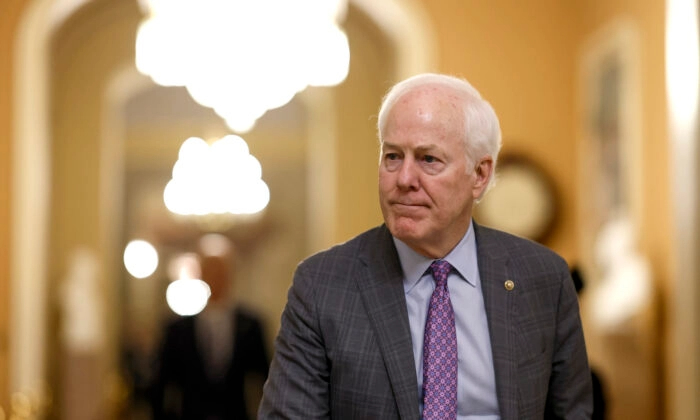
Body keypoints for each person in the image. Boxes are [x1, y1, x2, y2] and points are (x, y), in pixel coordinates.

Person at [258, 73, 592, 419]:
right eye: (392, 156)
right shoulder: (322, 285)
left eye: (428, 159)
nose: (403, 179)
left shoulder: (544, 279)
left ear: (479, 175)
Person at [152, 237, 269, 420]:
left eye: (221, 270)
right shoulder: (177, 329)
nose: (216, 276)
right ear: (201, 273)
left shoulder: (251, 325)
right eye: (210, 269)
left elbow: (265, 378)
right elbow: (163, 383)